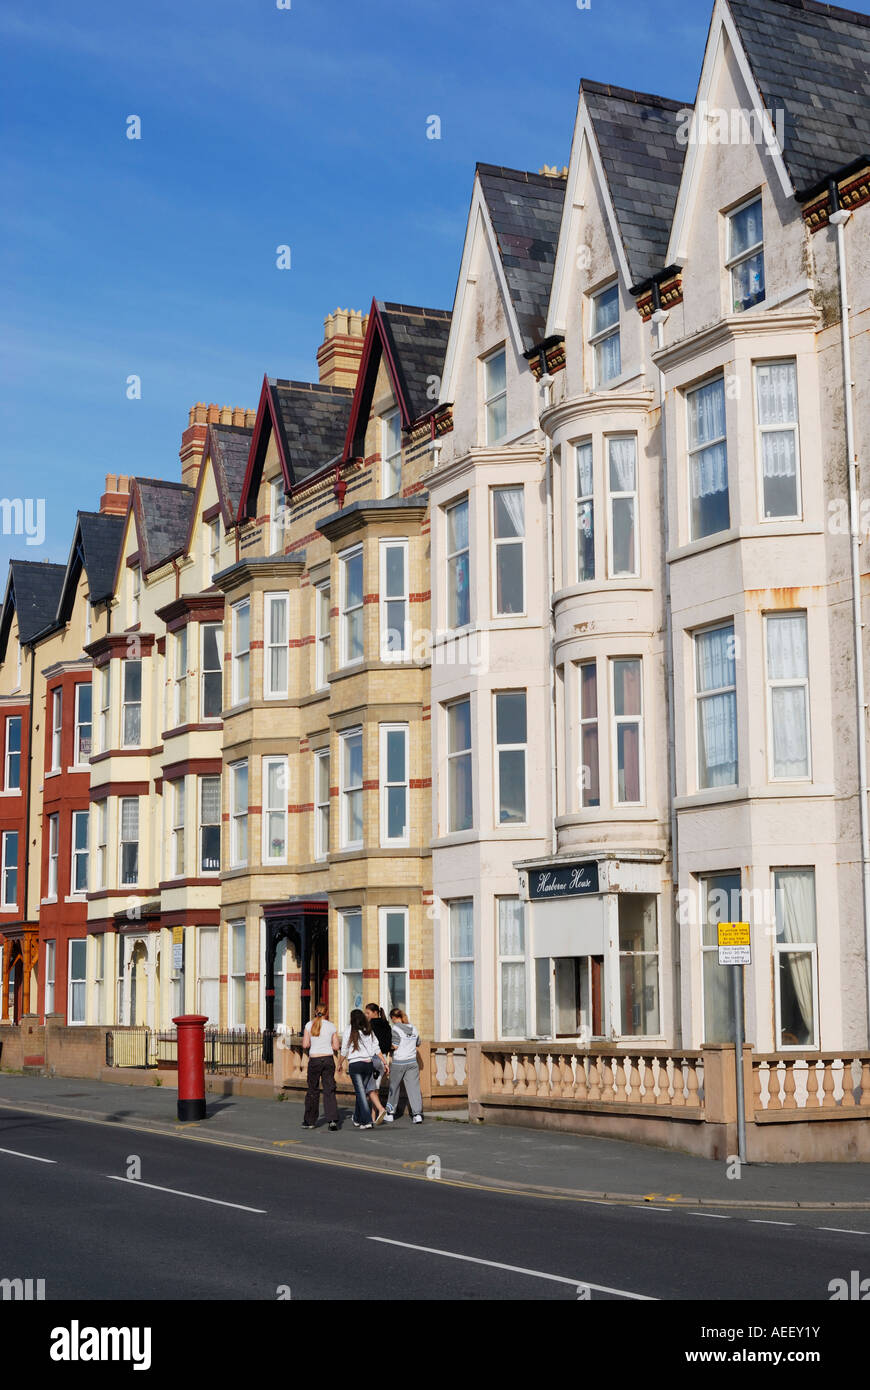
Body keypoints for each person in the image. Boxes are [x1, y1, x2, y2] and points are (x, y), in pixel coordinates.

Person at [338, 1008, 388, 1128]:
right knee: (361, 1092)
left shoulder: (349, 1029)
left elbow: (344, 1049)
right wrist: (384, 1062)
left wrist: (339, 1063)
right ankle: (357, 1118)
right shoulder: (368, 1030)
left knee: (360, 1093)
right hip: (368, 1064)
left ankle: (366, 1121)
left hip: (355, 1065)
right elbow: (376, 1047)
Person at [301, 1003, 340, 1131]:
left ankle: (310, 1121)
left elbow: (305, 1044)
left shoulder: (309, 1025)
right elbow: (336, 1046)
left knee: (313, 1090)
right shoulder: (331, 1026)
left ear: (315, 1012)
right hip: (328, 1059)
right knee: (329, 1090)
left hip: (315, 1059)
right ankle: (332, 1121)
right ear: (326, 1013)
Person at [384, 1008, 423, 1123]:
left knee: (394, 1088)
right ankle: (417, 1115)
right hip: (412, 1062)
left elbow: (395, 1046)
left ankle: (390, 1113)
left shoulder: (395, 1029)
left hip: (399, 1062)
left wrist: (387, 1046)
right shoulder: (413, 1028)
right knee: (414, 1089)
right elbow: (418, 1043)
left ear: (394, 1018)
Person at [363, 1003, 393, 1123]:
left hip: (372, 1057)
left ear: (375, 1012)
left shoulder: (369, 1026)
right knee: (376, 1088)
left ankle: (372, 1114)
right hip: (383, 1059)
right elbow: (387, 1043)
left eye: (368, 1013)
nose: (366, 1015)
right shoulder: (386, 1025)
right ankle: (374, 1115)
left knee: (368, 1088)